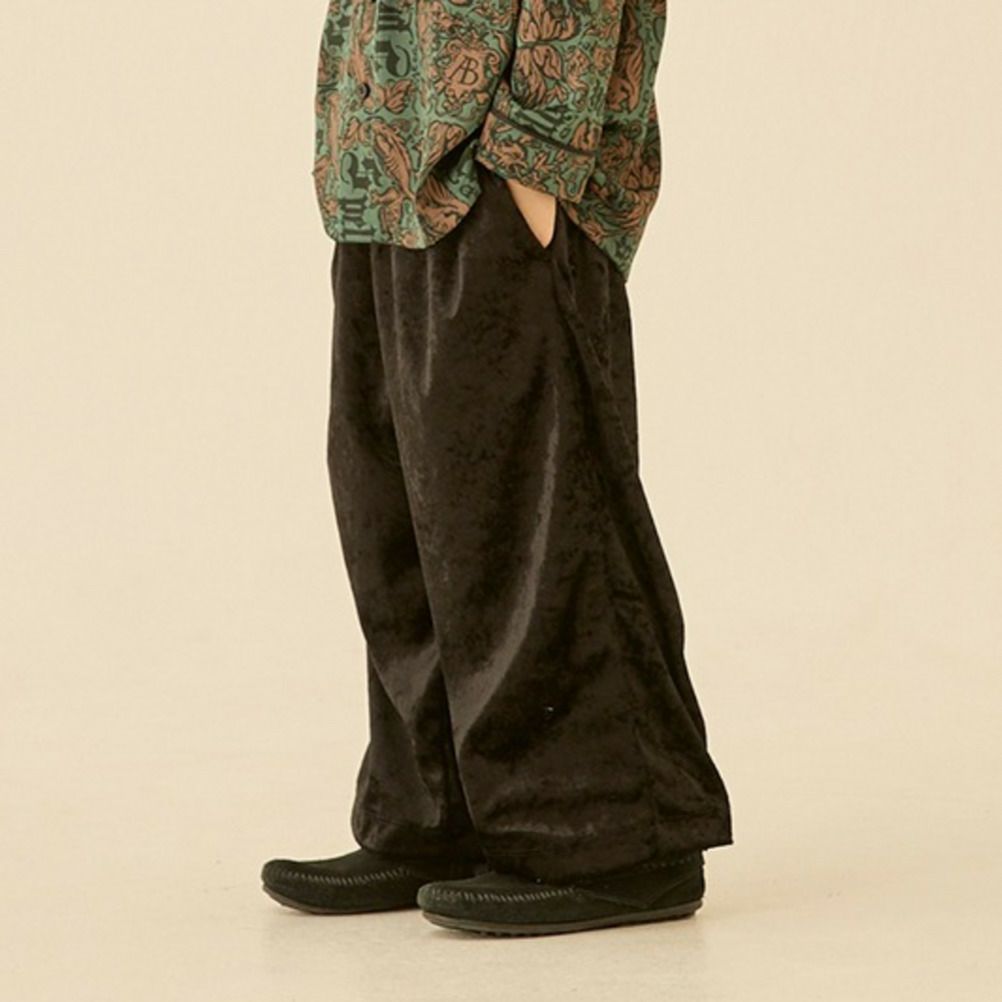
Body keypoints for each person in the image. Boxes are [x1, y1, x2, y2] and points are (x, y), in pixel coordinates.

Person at [261, 0, 734, 937]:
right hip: (386, 166)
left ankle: (616, 842)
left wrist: (535, 163)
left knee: (537, 512)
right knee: (399, 516)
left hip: (496, 166)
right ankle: (440, 816)